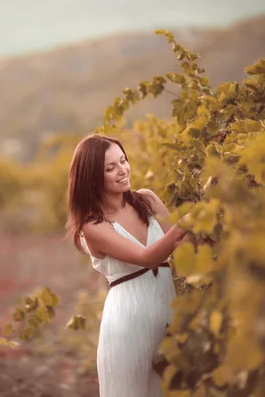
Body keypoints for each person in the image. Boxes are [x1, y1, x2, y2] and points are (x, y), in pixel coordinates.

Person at [65, 134, 190, 397]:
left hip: (170, 315)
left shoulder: (147, 200)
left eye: (123, 161)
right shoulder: (93, 226)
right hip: (128, 324)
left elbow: (184, 246)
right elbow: (147, 257)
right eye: (110, 168)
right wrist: (186, 222)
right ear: (92, 178)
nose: (122, 170)